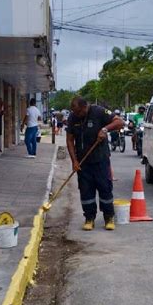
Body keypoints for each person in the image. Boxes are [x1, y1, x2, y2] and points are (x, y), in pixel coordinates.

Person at [66, 97, 124, 231]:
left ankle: (109, 217)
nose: (77, 115)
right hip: (82, 162)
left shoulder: (99, 112)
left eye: (79, 112)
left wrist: (105, 129)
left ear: (85, 106)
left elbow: (119, 122)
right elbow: (70, 140)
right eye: (74, 112)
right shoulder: (73, 118)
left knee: (105, 188)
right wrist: (74, 161)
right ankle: (89, 218)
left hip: (100, 160)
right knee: (86, 191)